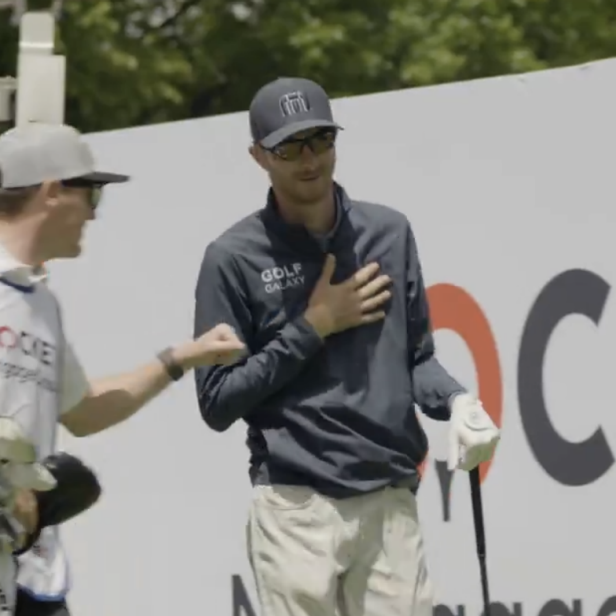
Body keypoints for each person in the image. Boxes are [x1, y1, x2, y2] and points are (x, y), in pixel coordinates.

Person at [193, 77, 500, 616]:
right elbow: (217, 402)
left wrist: (457, 403)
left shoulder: (389, 232)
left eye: (321, 139)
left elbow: (418, 359)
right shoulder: (233, 258)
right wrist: (314, 325)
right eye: (289, 146)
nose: (309, 158)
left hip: (389, 499)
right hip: (295, 506)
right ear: (258, 156)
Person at [0, 122, 246, 616]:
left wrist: (181, 359)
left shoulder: (41, 303)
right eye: (91, 196)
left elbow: (83, 408)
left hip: (34, 575)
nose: (93, 214)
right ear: (51, 192)